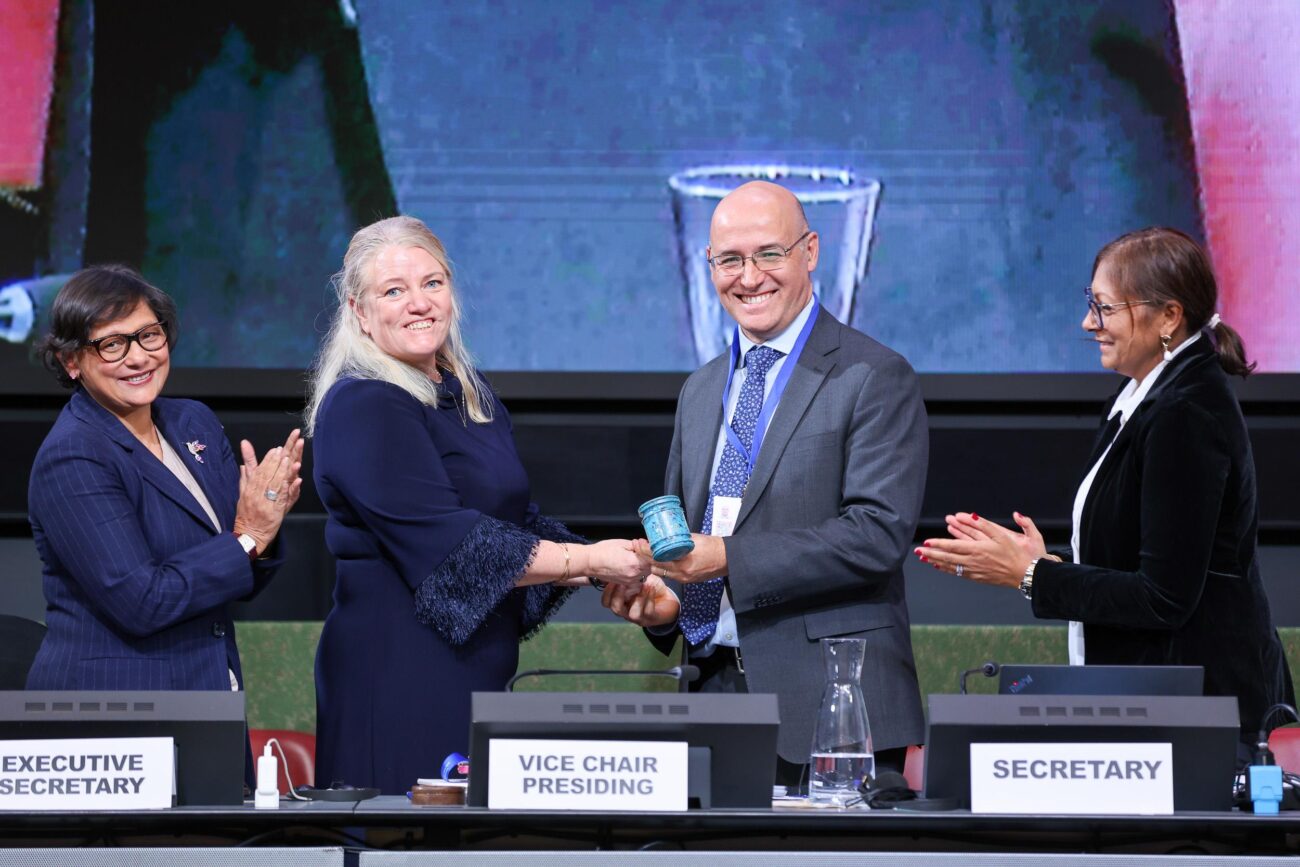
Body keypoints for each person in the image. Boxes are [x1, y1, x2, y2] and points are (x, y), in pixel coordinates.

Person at [305, 216, 652, 794]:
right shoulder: (365, 404)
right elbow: (455, 547)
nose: (419, 303)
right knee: (405, 838)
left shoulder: (467, 390)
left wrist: (610, 568)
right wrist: (591, 561)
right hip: (398, 676)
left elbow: (516, 524)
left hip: (477, 667)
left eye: (432, 283)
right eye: (394, 291)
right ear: (360, 311)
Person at [603, 181, 929, 786]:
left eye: (769, 254)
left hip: (833, 706)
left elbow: (876, 536)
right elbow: (690, 539)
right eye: (730, 259)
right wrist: (666, 607)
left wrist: (728, 558)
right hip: (713, 696)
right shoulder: (701, 389)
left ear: (811, 251)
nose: (749, 277)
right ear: (708, 265)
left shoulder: (874, 374)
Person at [918, 227, 1295, 746]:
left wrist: (1031, 576)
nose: (1088, 322)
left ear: (1169, 316)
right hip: (1165, 706)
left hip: (1202, 718)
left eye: (1105, 308)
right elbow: (1135, 562)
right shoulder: (1143, 395)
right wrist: (1045, 565)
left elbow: (1163, 598)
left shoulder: (1184, 412)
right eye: (1090, 303)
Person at [27, 265, 303, 696]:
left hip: (209, 685)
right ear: (72, 362)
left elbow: (236, 569)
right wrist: (250, 537)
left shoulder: (193, 421)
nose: (138, 357)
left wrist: (262, 528)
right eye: (112, 345)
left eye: (148, 335)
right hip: (116, 705)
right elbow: (143, 602)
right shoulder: (74, 455)